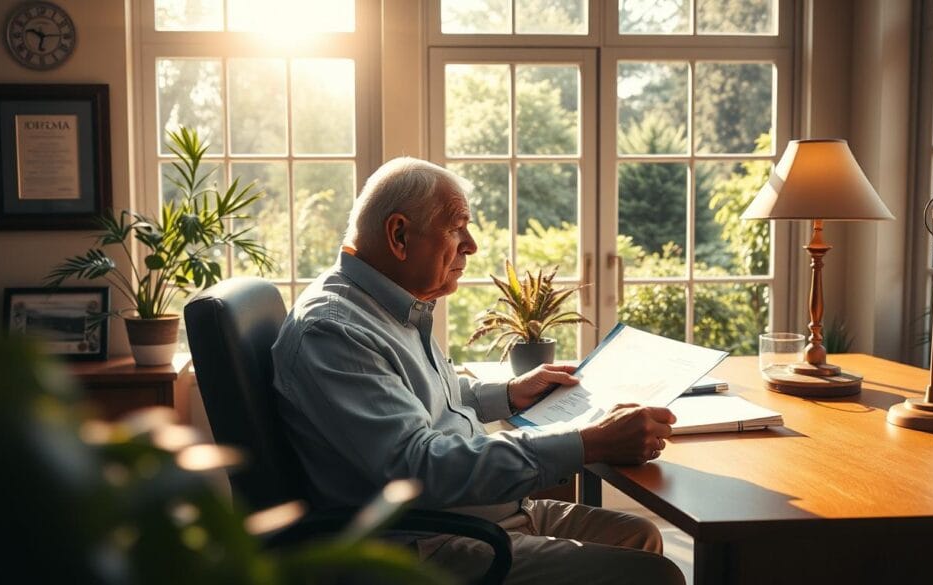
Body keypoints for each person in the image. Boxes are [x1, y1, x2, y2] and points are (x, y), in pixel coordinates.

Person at [271, 157, 684, 584]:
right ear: (398, 234)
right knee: (655, 576)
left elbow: (416, 400)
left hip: (477, 516)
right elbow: (418, 468)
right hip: (426, 543)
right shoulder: (336, 330)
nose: (471, 245)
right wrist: (586, 443)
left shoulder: (388, 304)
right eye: (456, 227)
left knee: (638, 535)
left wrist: (507, 393)